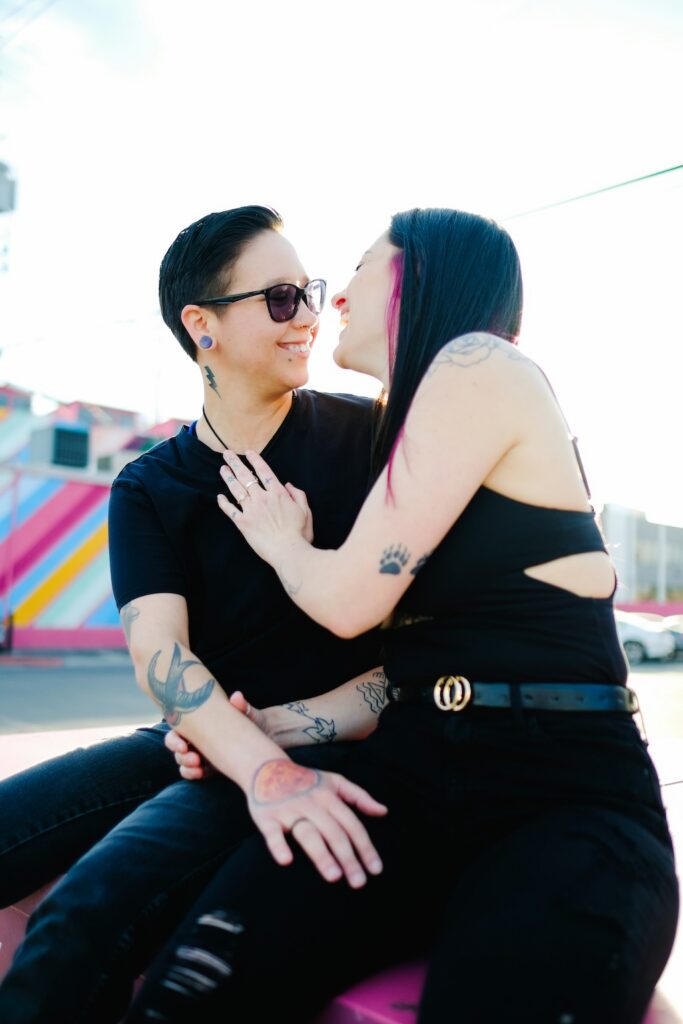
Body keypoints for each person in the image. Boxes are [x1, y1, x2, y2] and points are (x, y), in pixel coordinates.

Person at [127, 207, 679, 1024]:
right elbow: (420, 669)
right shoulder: (404, 433)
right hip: (412, 781)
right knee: (192, 992)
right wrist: (267, 731)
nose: (333, 299)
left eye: (356, 268)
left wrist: (286, 544)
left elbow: (349, 602)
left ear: (416, 274)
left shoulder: (477, 364)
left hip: (561, 792)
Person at [0, 205, 390, 1024]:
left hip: (340, 741)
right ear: (200, 324)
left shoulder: (369, 439)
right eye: (281, 300)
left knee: (80, 920)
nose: (310, 318)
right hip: (204, 739)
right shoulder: (151, 485)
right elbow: (160, 656)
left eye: (310, 293)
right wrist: (254, 764)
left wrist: (274, 765)